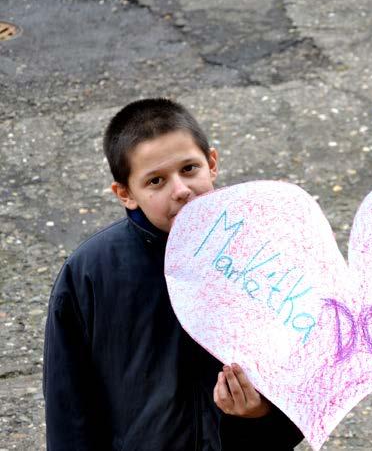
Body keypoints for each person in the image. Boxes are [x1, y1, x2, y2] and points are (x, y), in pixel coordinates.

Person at [43, 99, 303, 450]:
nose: (180, 190)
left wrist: (258, 414)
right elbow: (69, 408)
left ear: (211, 163)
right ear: (125, 194)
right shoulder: (90, 274)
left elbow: (304, 389)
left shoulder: (260, 254)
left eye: (189, 169)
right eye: (156, 181)